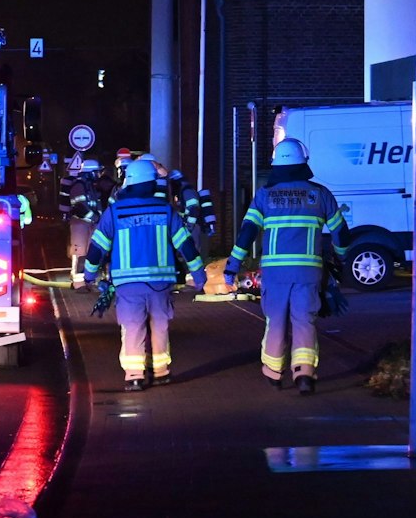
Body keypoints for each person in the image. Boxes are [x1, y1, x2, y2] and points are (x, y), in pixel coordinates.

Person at [228, 138, 345, 396]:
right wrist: (341, 257)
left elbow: (247, 232)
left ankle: (273, 373)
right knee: (304, 321)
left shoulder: (265, 196)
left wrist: (233, 265)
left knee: (275, 321)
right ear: (303, 162)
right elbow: (340, 233)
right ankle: (304, 374)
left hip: (275, 273)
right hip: (308, 272)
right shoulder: (320, 194)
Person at [83, 158, 205, 390]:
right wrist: (198, 276)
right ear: (152, 184)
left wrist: (88, 276)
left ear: (128, 183)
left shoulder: (114, 212)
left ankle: (134, 376)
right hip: (160, 283)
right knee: (160, 326)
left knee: (132, 327)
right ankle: (160, 372)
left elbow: (98, 247)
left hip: (128, 285)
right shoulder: (166, 210)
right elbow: (185, 246)